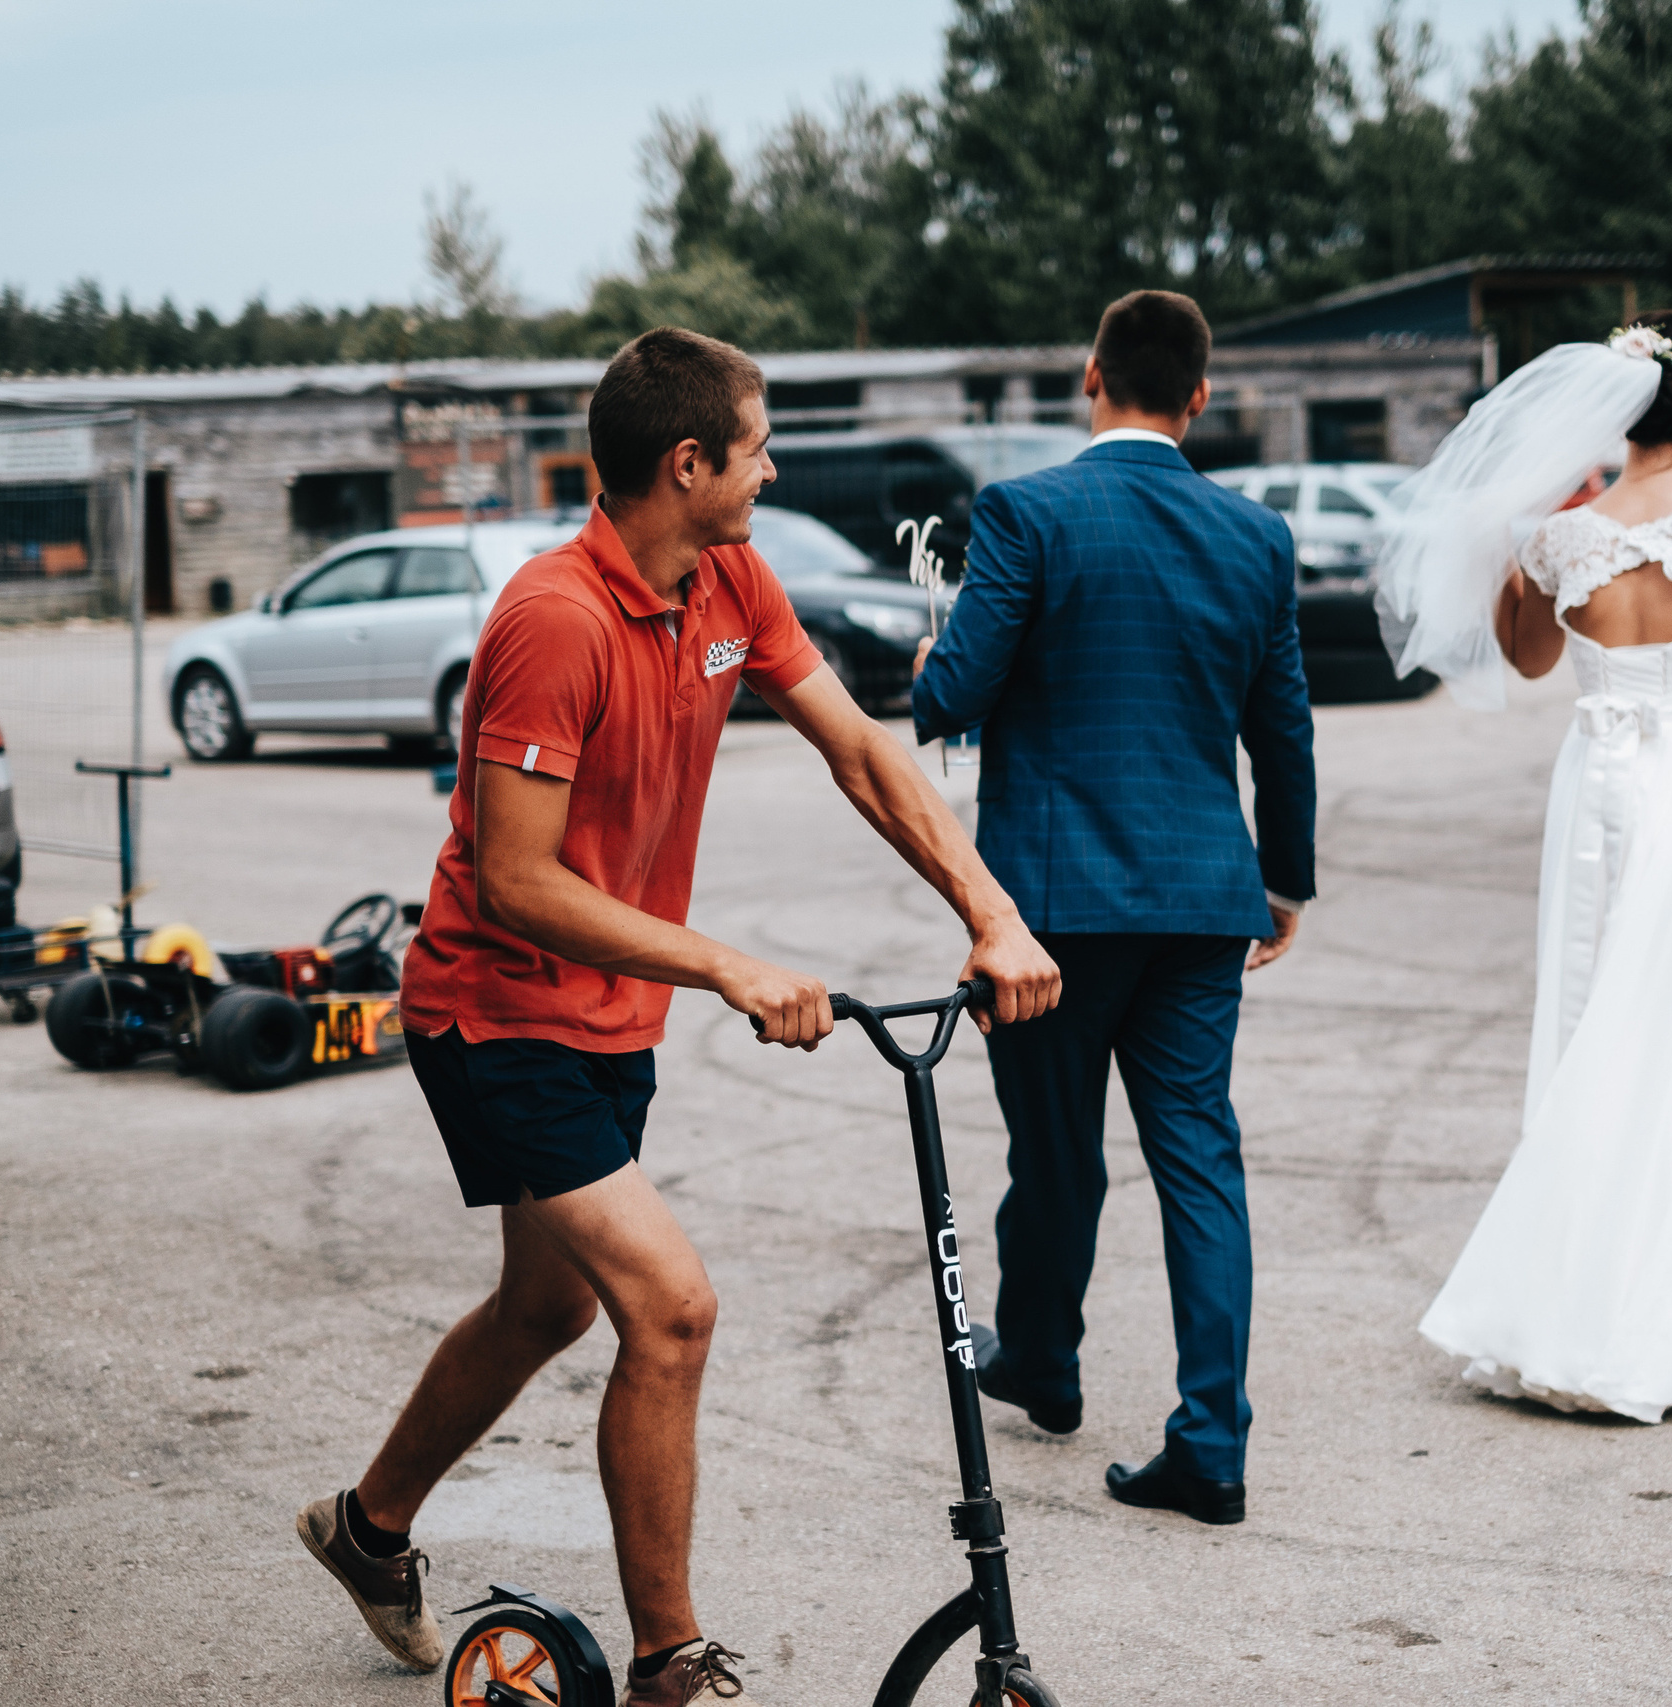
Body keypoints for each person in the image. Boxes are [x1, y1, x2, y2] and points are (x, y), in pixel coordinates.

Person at [293, 326, 1061, 1704]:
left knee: (546, 1307)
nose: (772, 467)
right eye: (755, 447)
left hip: (608, 1016)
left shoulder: (731, 577)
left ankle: (368, 1526)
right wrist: (728, 965)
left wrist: (990, 912)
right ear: (686, 460)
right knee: (672, 1307)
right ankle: (668, 1659)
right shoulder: (553, 619)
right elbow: (519, 882)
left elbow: (866, 756)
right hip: (493, 1009)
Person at [1380, 312, 1672, 1421]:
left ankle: (1570, 1290)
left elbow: (1531, 660)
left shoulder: (1562, 540)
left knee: (1599, 1016)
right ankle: (1667, 1307)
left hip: (1596, 777)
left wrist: (1511, 558)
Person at [909, 289, 1316, 1525]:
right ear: (1197, 397)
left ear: (1092, 377)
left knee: (1056, 1154)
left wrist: (936, 653)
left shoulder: (1028, 512)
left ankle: (1040, 1358)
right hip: (1203, 900)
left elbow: (949, 699)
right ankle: (1212, 1443)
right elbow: (1282, 729)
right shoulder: (1254, 538)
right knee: (1200, 1158)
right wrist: (1282, 880)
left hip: (1048, 914)